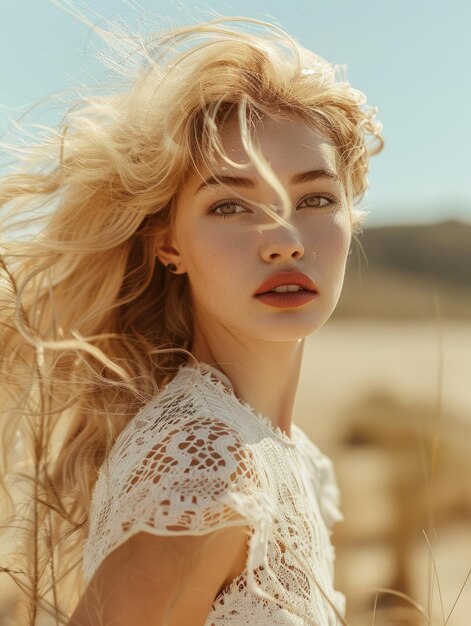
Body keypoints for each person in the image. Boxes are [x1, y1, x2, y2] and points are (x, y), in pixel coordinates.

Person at [0, 12, 383, 626]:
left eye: (315, 199)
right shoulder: (208, 462)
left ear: (350, 217)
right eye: (230, 205)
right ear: (168, 243)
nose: (284, 240)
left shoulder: (288, 456)